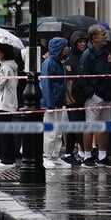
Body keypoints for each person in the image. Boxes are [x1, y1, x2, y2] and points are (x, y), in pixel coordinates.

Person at [76, 24, 111, 167]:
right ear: (94, 38)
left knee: (105, 126)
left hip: (108, 96)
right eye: (103, 34)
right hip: (95, 97)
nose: (106, 37)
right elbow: (81, 77)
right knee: (90, 126)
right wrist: (92, 94)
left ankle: (102, 156)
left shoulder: (106, 52)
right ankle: (87, 156)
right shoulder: (87, 55)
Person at [39, 36, 69, 169]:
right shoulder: (49, 63)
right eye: (65, 46)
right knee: (51, 131)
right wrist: (50, 104)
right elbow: (46, 84)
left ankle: (55, 155)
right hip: (50, 103)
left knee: (58, 131)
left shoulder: (58, 62)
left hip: (58, 102)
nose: (67, 49)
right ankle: (47, 156)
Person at [62, 31, 89, 165]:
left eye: (84, 41)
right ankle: (82, 152)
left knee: (74, 125)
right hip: (73, 98)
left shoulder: (85, 56)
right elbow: (70, 81)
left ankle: (69, 152)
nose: (83, 44)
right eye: (80, 41)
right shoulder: (70, 59)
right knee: (77, 125)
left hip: (83, 96)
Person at [0, 43, 19, 166]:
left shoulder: (6, 67)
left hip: (4, 102)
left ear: (3, 52)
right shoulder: (9, 66)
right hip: (8, 101)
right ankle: (6, 156)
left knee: (4, 132)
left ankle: (7, 159)